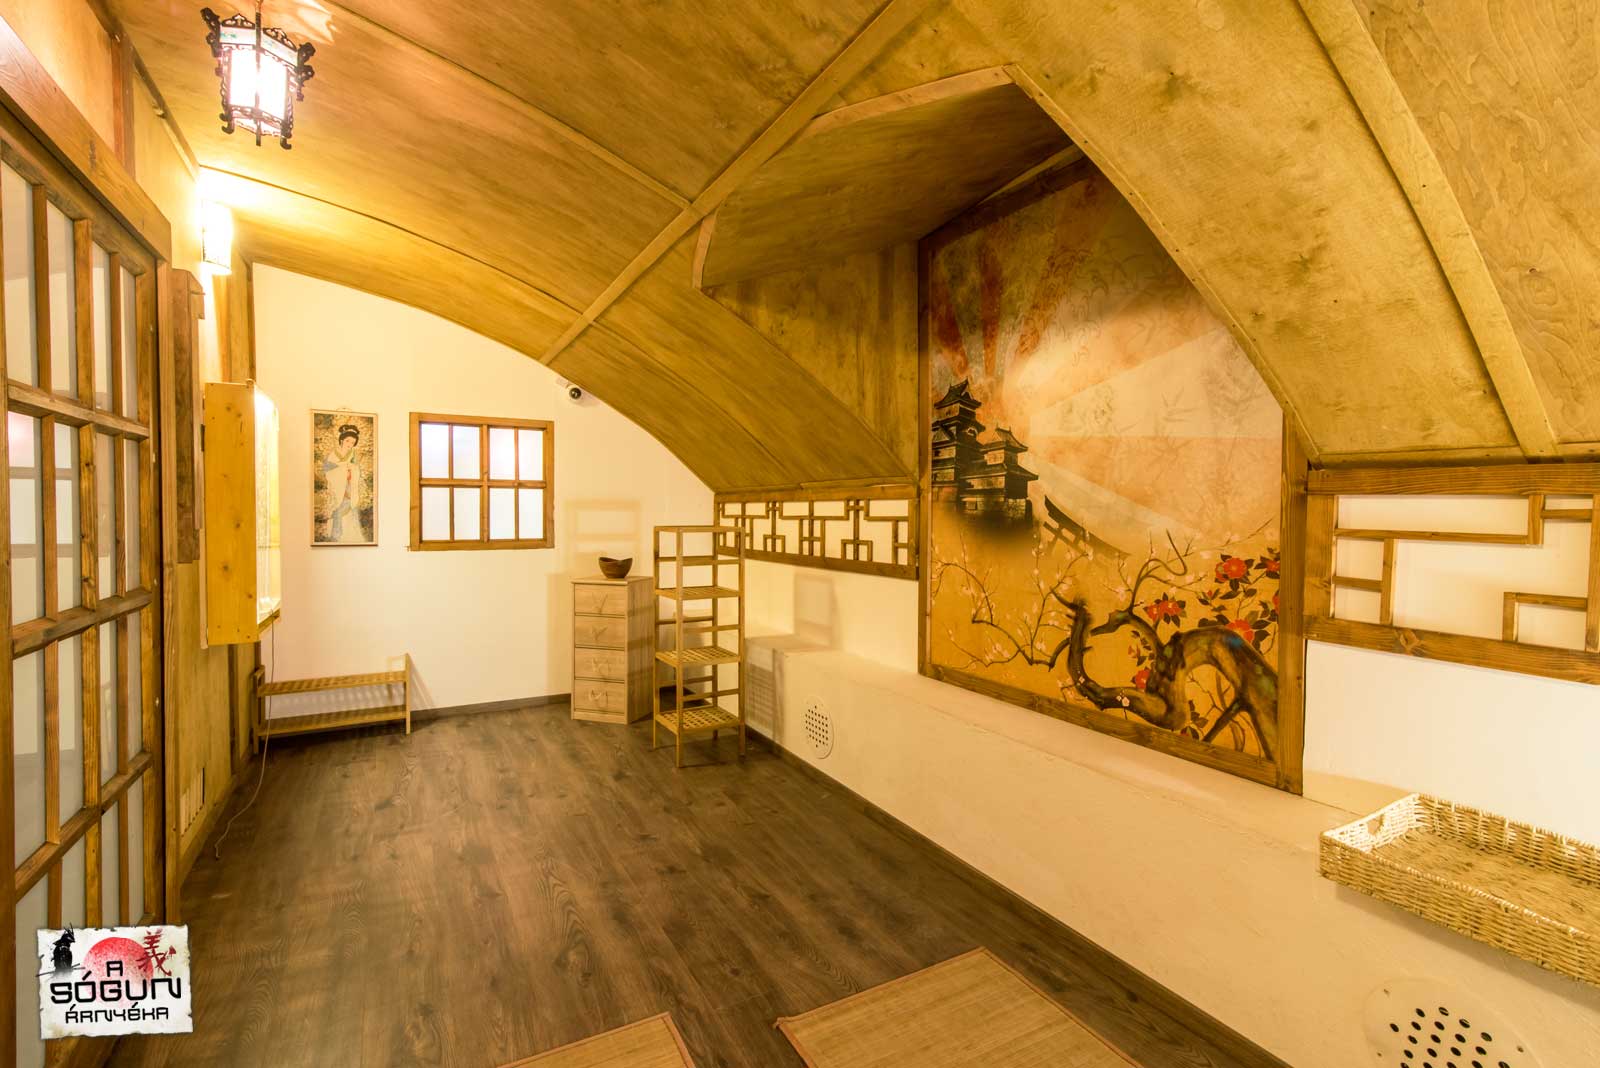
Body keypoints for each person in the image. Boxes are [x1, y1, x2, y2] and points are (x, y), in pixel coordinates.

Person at [322, 422, 365, 542]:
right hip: (337, 488)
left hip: (349, 487)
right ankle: (336, 535)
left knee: (348, 510)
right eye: (347, 441)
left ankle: (347, 535)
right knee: (337, 510)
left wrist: (351, 469)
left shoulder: (353, 454)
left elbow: (357, 469)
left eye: (352, 442)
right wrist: (342, 469)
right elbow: (327, 469)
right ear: (341, 440)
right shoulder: (333, 454)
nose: (349, 444)